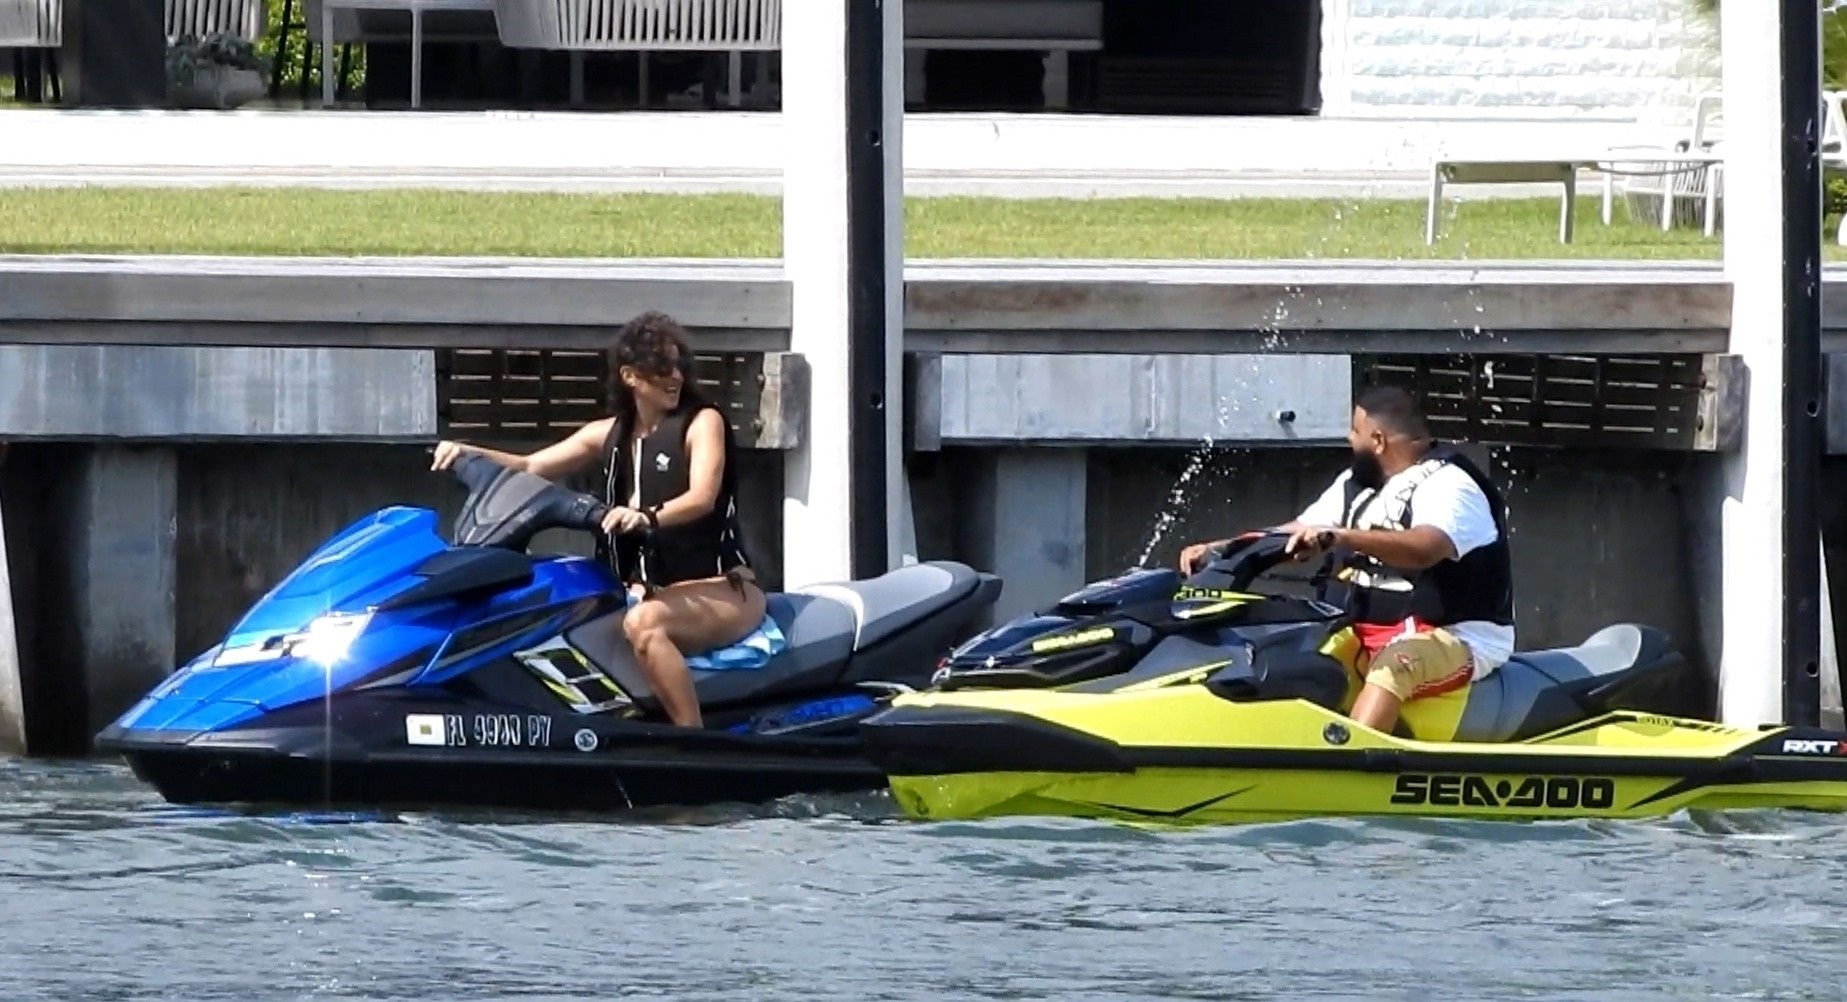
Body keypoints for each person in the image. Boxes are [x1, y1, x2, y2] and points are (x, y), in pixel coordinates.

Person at [431, 310, 762, 729]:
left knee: (645, 623)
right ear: (630, 375)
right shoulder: (609, 434)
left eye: (679, 365)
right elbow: (531, 466)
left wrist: (646, 516)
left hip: (723, 589)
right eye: (662, 367)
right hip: (642, 589)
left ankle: (693, 742)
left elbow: (702, 497)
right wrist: (466, 452)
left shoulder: (702, 422)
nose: (675, 376)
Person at [1178, 385, 1514, 736]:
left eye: (1355, 431)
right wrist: (1221, 548)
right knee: (1290, 656)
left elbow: (1425, 548)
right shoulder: (1358, 485)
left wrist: (1342, 537)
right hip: (1365, 627)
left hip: (1457, 636)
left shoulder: (1451, 484)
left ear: (1378, 440)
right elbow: (1298, 530)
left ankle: (1352, 761)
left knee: (1393, 669)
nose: (1349, 439)